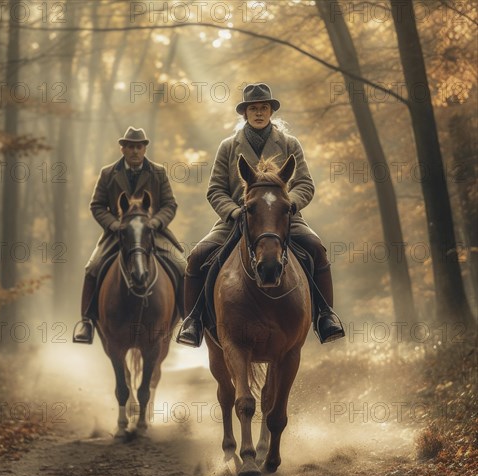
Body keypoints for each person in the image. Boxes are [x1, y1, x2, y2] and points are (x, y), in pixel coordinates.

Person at [176, 83, 345, 347]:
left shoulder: (290, 144)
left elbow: (305, 184)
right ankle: (193, 321)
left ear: (270, 111)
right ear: (244, 113)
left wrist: (290, 206)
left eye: (263, 108)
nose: (258, 113)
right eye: (253, 108)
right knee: (197, 256)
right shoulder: (228, 147)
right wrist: (233, 212)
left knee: (315, 248)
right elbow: (215, 189)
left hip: (281, 218)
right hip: (236, 220)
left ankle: (326, 316)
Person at [73, 127, 186, 344]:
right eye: (131, 147)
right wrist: (114, 224)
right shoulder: (108, 173)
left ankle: (189, 322)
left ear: (144, 148)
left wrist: (155, 222)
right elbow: (97, 205)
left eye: (139, 146)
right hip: (117, 235)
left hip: (153, 233)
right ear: (122, 148)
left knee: (182, 266)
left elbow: (170, 204)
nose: (135, 151)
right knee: (92, 267)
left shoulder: (158, 172)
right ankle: (86, 323)